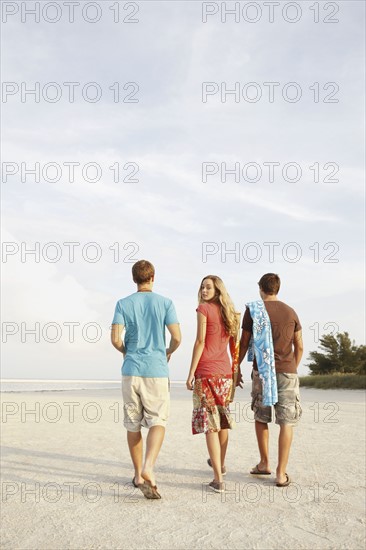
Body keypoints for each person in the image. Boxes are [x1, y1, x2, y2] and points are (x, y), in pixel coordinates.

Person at [111, 260, 181, 499]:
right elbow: (177, 337)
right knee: (157, 421)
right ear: (153, 277)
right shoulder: (165, 303)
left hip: (131, 370)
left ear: (134, 279)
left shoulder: (123, 303)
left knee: (133, 424)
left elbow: (115, 339)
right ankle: (148, 465)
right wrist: (168, 351)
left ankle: (138, 476)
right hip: (156, 370)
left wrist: (126, 351)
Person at [236, 273, 303, 487]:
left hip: (262, 372)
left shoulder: (254, 310)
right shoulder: (291, 312)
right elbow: (299, 346)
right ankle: (280, 473)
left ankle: (264, 463)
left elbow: (244, 343)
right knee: (286, 422)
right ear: (278, 288)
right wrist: (291, 367)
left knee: (261, 417)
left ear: (261, 289)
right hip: (287, 372)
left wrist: (235, 367)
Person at [186, 275, 240, 493]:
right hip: (225, 374)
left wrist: (190, 373)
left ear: (218, 290)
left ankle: (218, 479)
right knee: (222, 420)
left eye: (208, 287)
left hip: (207, 373)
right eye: (202, 286)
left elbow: (200, 341)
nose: (204, 290)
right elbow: (234, 348)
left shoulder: (204, 309)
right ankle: (222, 464)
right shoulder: (231, 314)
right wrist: (236, 372)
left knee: (211, 425)